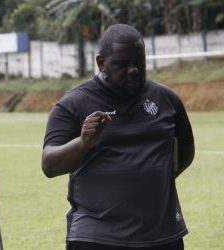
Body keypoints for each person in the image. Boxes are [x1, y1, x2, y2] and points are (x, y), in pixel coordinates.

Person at [41, 24, 195, 250]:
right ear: (101, 63)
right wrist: (83, 143)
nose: (133, 70)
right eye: (122, 65)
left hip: (162, 235)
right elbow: (49, 164)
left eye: (139, 64)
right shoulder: (73, 104)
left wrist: (153, 181)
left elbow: (186, 152)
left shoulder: (166, 99)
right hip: (97, 237)